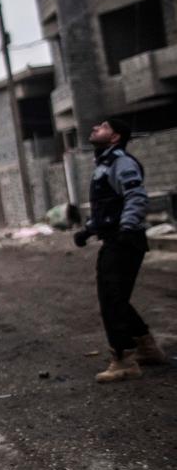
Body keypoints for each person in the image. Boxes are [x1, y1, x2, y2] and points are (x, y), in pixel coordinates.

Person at [73, 119, 166, 383]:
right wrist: (88, 230)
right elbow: (107, 208)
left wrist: (126, 228)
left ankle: (124, 359)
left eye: (102, 127)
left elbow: (136, 197)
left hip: (125, 240)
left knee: (111, 298)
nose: (94, 129)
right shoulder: (105, 164)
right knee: (116, 297)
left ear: (115, 137)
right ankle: (147, 348)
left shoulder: (122, 163)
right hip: (116, 237)